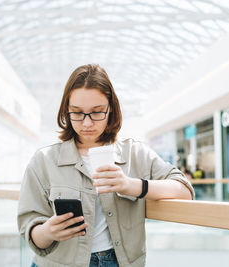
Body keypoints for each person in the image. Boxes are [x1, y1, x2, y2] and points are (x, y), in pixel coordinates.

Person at [17, 64, 194, 267]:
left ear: (111, 109)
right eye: (77, 113)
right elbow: (29, 231)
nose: (87, 123)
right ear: (66, 111)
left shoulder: (135, 154)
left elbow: (184, 190)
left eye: (97, 112)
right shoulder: (44, 160)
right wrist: (48, 231)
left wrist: (130, 185)